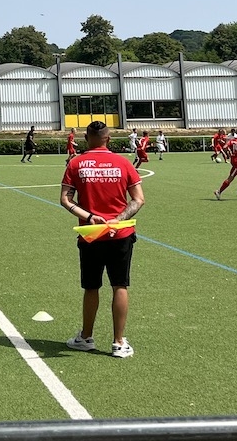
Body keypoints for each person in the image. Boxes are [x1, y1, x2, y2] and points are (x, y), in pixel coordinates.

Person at [61, 120, 144, 359]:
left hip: (91, 234)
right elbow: (138, 199)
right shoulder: (123, 163)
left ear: (87, 138)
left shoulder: (76, 163)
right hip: (120, 233)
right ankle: (118, 342)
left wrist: (90, 217)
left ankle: (86, 337)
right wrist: (118, 219)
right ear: (109, 138)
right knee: (120, 285)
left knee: (91, 287)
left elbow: (65, 199)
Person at [214, 126, 237, 199]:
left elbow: (225, 147)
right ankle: (219, 192)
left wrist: (229, 153)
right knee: (230, 178)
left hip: (234, 161)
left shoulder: (232, 140)